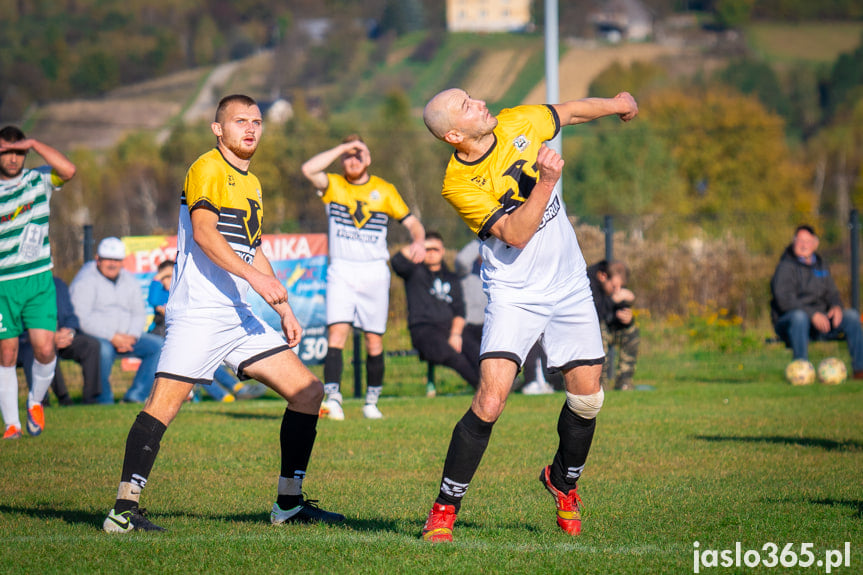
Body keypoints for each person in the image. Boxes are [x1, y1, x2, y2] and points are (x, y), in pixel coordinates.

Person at [102, 94, 344, 533]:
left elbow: (254, 250)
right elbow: (205, 234)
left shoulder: (252, 183)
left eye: (256, 121)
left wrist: (284, 307)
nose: (250, 128)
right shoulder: (207, 168)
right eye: (239, 121)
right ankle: (123, 511)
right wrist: (256, 280)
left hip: (238, 317)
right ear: (218, 129)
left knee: (308, 392)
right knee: (163, 407)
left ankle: (288, 504)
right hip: (199, 314)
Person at [419, 88, 638, 541]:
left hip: (569, 284)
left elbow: (572, 111)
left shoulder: (516, 120)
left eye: (471, 96)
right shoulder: (458, 185)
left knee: (588, 399)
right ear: (455, 135)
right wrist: (546, 182)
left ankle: (562, 483)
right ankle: (444, 508)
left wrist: (617, 104)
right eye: (466, 105)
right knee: (491, 401)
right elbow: (516, 234)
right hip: (515, 292)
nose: (479, 103)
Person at [301, 134, 426, 420]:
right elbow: (308, 170)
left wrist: (418, 241)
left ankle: (372, 401)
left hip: (373, 271)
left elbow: (413, 223)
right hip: (342, 269)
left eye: (359, 154)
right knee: (337, 333)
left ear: (368, 159)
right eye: (348, 155)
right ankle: (334, 399)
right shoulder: (334, 185)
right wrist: (343, 148)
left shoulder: (384, 190)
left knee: (374, 340)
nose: (353, 159)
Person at [0, 126, 76, 439]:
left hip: (38, 279)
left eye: (20, 151)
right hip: (4, 283)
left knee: (45, 349)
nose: (14, 158)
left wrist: (33, 142)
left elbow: (68, 170)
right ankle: (12, 425)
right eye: (7, 151)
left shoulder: (37, 180)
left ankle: (35, 401)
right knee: (6, 353)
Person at [148, 258, 267, 403]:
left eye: (171, 275)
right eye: (165, 277)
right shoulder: (159, 293)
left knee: (207, 360)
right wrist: (159, 276)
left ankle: (236, 389)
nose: (169, 280)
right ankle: (224, 396)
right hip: (164, 336)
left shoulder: (182, 292)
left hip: (187, 337)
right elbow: (155, 303)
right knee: (197, 364)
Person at [70, 237, 163, 404]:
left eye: (116, 260)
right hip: (96, 336)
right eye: (108, 259)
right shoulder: (85, 280)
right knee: (102, 350)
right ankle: (103, 400)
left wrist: (132, 336)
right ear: (98, 259)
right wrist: (112, 336)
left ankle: (136, 396)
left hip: (128, 337)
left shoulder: (129, 280)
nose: (112, 264)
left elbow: (139, 313)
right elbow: (81, 318)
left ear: (122, 262)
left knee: (158, 346)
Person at [770, 224, 863, 377]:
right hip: (791, 321)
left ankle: (860, 370)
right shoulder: (785, 266)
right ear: (794, 242)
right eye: (800, 240)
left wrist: (836, 306)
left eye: (807, 241)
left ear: (815, 244)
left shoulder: (821, 265)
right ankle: (801, 371)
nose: (803, 245)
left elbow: (832, 292)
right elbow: (784, 300)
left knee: (852, 316)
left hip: (821, 321)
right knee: (799, 317)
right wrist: (812, 314)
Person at [392, 231, 479, 390]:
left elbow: (460, 310)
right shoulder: (414, 272)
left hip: (450, 329)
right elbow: (396, 260)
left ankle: (499, 387)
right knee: (453, 356)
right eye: (428, 249)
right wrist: (421, 244)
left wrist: (456, 334)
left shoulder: (451, 277)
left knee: (475, 351)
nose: (431, 253)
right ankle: (482, 388)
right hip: (424, 330)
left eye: (435, 249)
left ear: (443, 251)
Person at [18, 276, 102, 405]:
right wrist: (48, 335)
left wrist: (70, 332)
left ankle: (91, 399)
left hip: (62, 337)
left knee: (91, 345)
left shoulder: (58, 284)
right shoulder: (19, 286)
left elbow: (71, 316)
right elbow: (17, 322)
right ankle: (46, 400)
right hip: (30, 340)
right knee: (44, 347)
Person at [588, 260, 640, 391]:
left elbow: (616, 311)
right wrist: (612, 300)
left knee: (632, 331)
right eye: (614, 287)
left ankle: (624, 381)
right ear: (603, 277)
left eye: (621, 287)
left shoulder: (614, 284)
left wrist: (628, 319)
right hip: (590, 334)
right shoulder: (587, 283)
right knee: (599, 332)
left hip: (610, 328)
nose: (617, 291)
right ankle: (599, 383)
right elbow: (595, 314)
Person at [453, 239, 485, 373]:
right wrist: (482, 239)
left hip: (491, 323)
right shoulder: (467, 271)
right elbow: (461, 260)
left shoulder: (500, 271)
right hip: (469, 324)